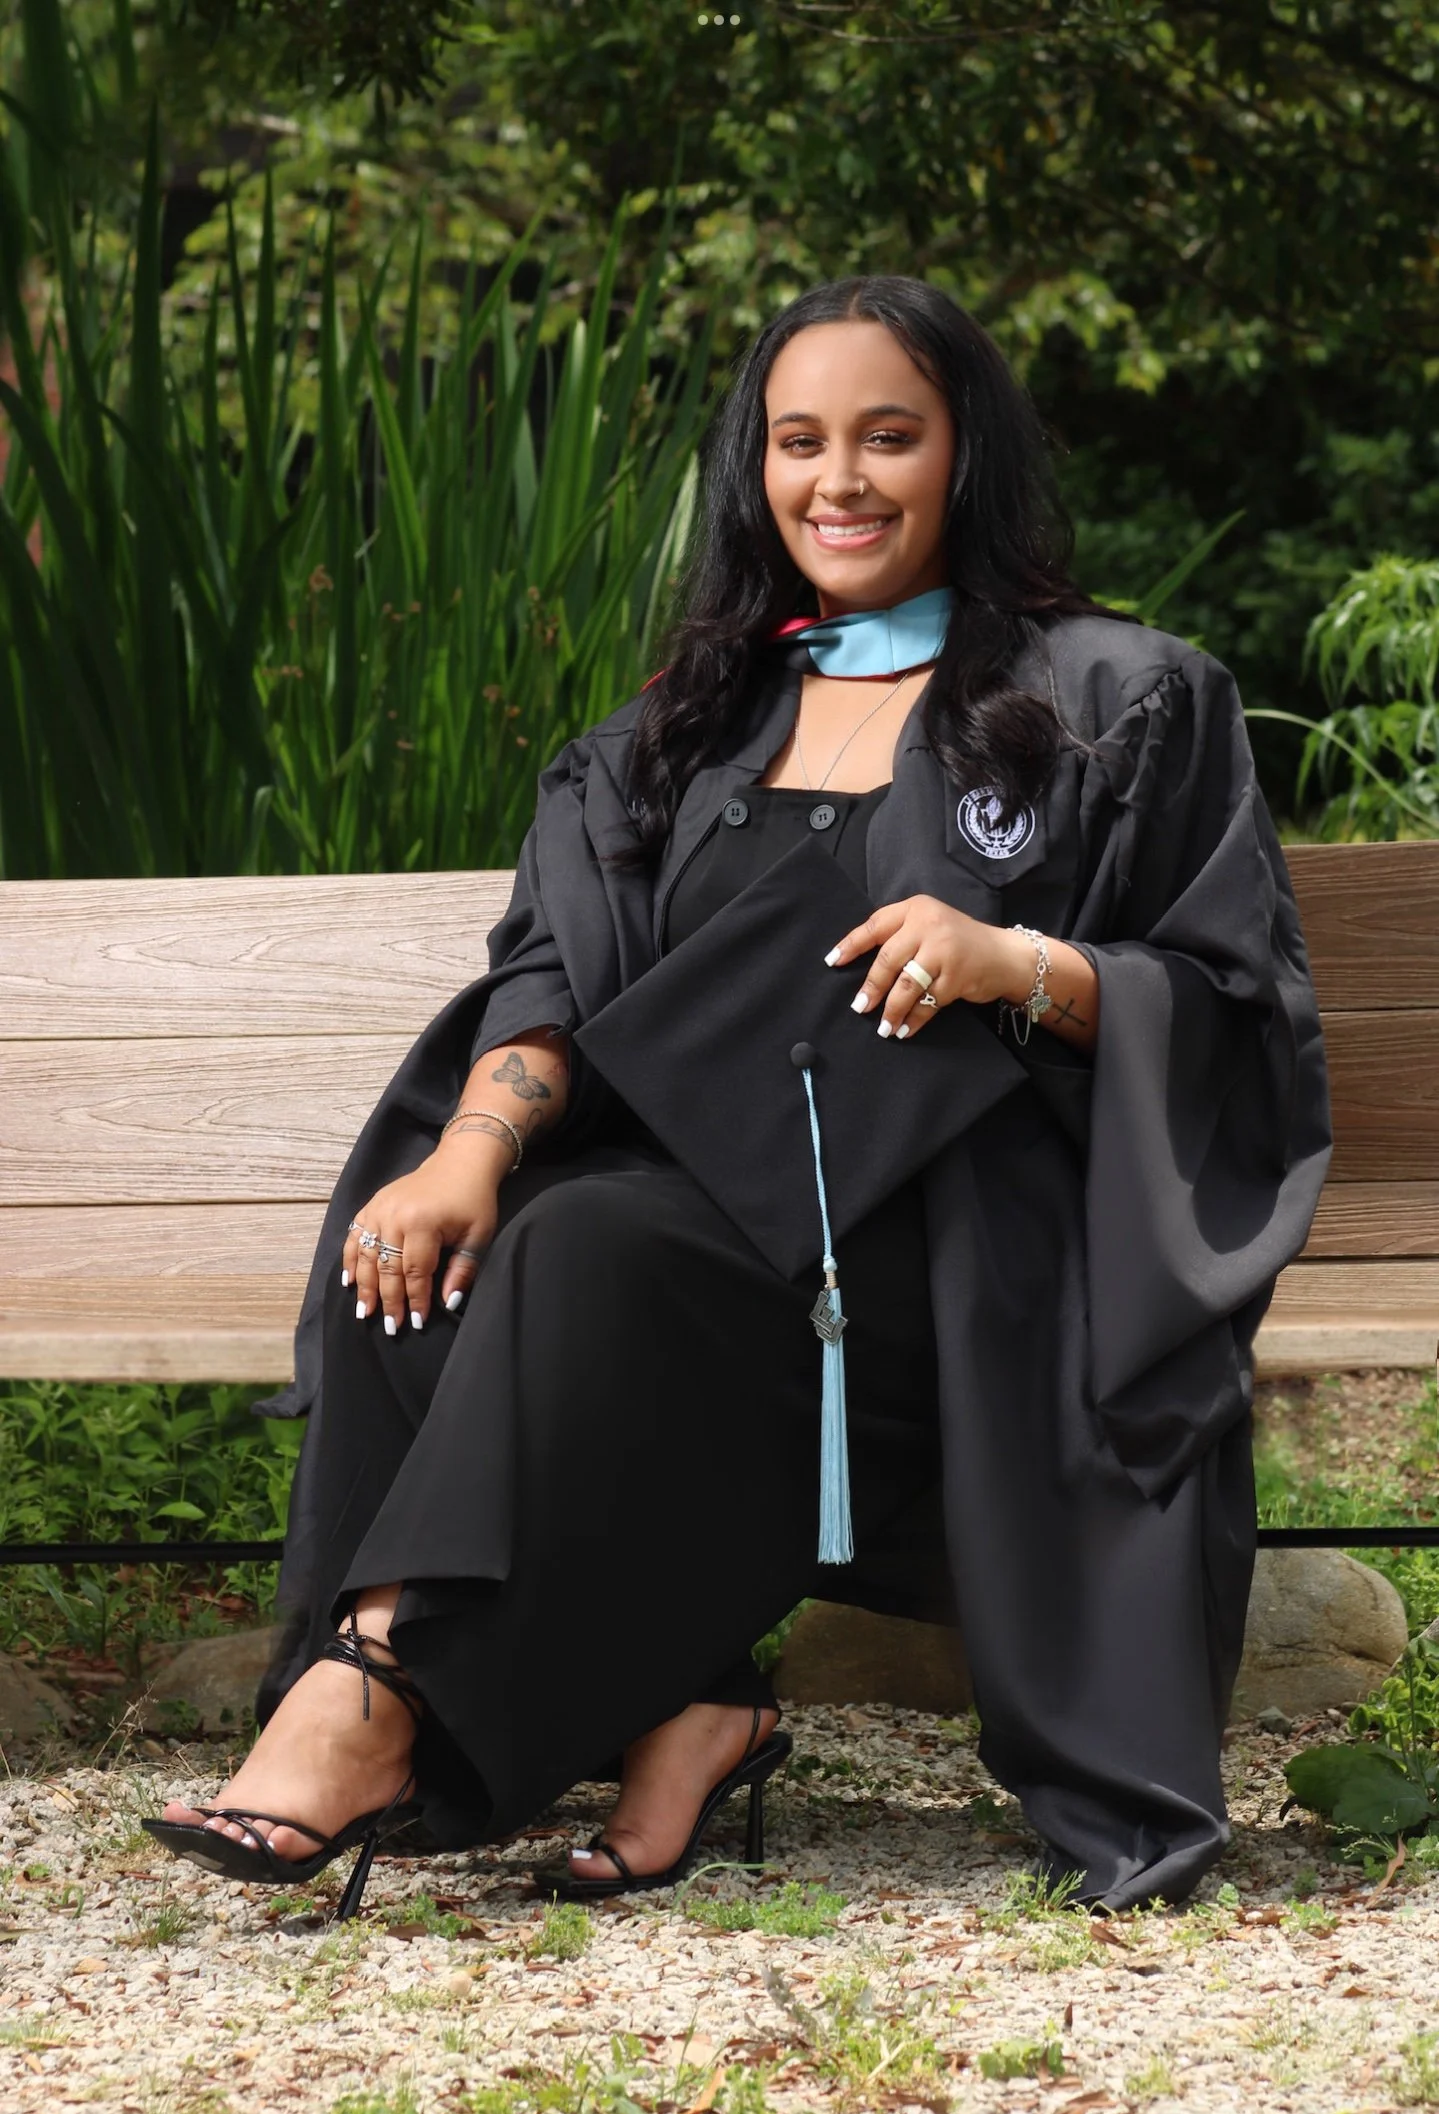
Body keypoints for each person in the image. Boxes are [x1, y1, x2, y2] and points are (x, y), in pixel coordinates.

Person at [145, 276, 1331, 1919]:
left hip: (954, 1274)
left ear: (965, 455)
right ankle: (686, 1699)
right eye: (797, 440)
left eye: (887, 437)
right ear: (752, 467)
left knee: (583, 1246)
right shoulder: (672, 736)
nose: (836, 480)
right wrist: (469, 1151)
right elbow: (550, 981)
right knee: (430, 1253)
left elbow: (1230, 1008)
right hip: (687, 1250)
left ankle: (378, 1691)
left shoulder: (1112, 700)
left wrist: (1015, 962)